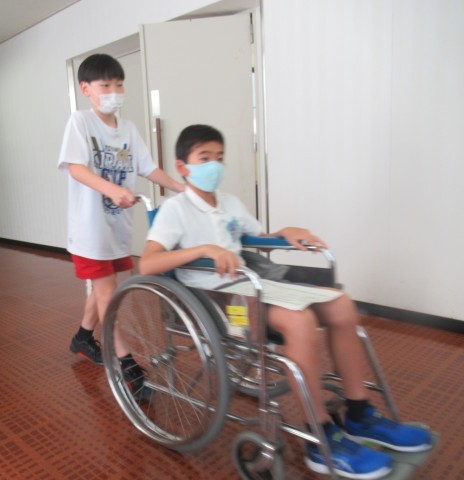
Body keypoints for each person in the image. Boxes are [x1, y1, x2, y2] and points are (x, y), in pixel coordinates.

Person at [139, 124, 431, 479]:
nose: (214, 165)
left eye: (219, 157)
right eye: (205, 158)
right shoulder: (175, 210)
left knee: (341, 305)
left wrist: (283, 233)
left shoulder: (229, 203)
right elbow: (148, 263)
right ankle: (320, 436)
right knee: (299, 320)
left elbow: (255, 238)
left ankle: (359, 414)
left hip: (255, 284)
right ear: (182, 167)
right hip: (222, 302)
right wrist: (203, 250)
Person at [57, 53, 185, 388]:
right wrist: (112, 189)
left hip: (117, 227)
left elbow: (148, 167)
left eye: (119, 85)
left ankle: (83, 339)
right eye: (105, 86)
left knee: (104, 287)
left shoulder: (128, 128)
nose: (114, 92)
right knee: (108, 293)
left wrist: (180, 188)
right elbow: (76, 168)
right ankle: (126, 363)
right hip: (90, 228)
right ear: (86, 89)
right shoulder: (81, 122)